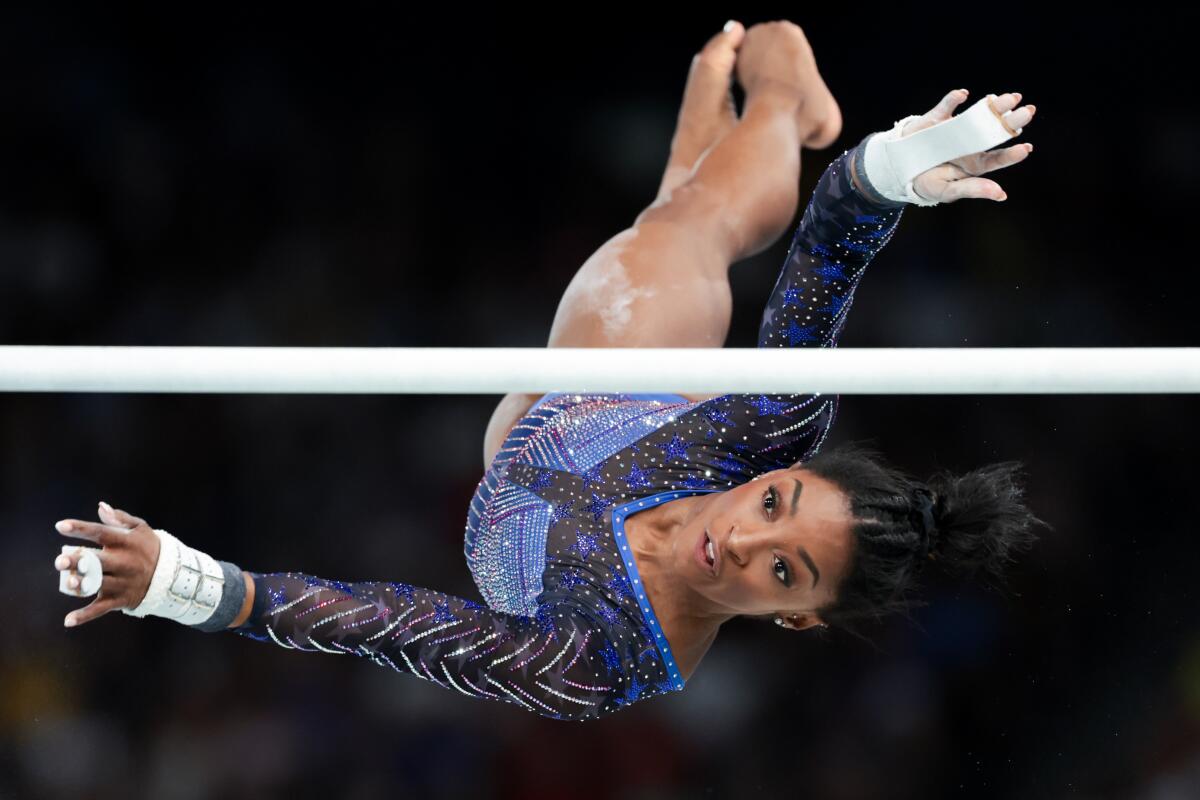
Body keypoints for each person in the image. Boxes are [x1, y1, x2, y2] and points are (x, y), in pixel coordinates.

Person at [52, 21, 1050, 721]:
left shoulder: (600, 661)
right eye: (777, 501)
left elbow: (398, 625)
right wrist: (893, 170)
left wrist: (187, 583)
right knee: (681, 235)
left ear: (797, 614)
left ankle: (691, 162)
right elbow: (830, 239)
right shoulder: (769, 424)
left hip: (526, 442)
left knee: (662, 226)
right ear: (775, 470)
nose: (742, 533)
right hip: (620, 378)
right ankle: (787, 93)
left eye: (784, 568)